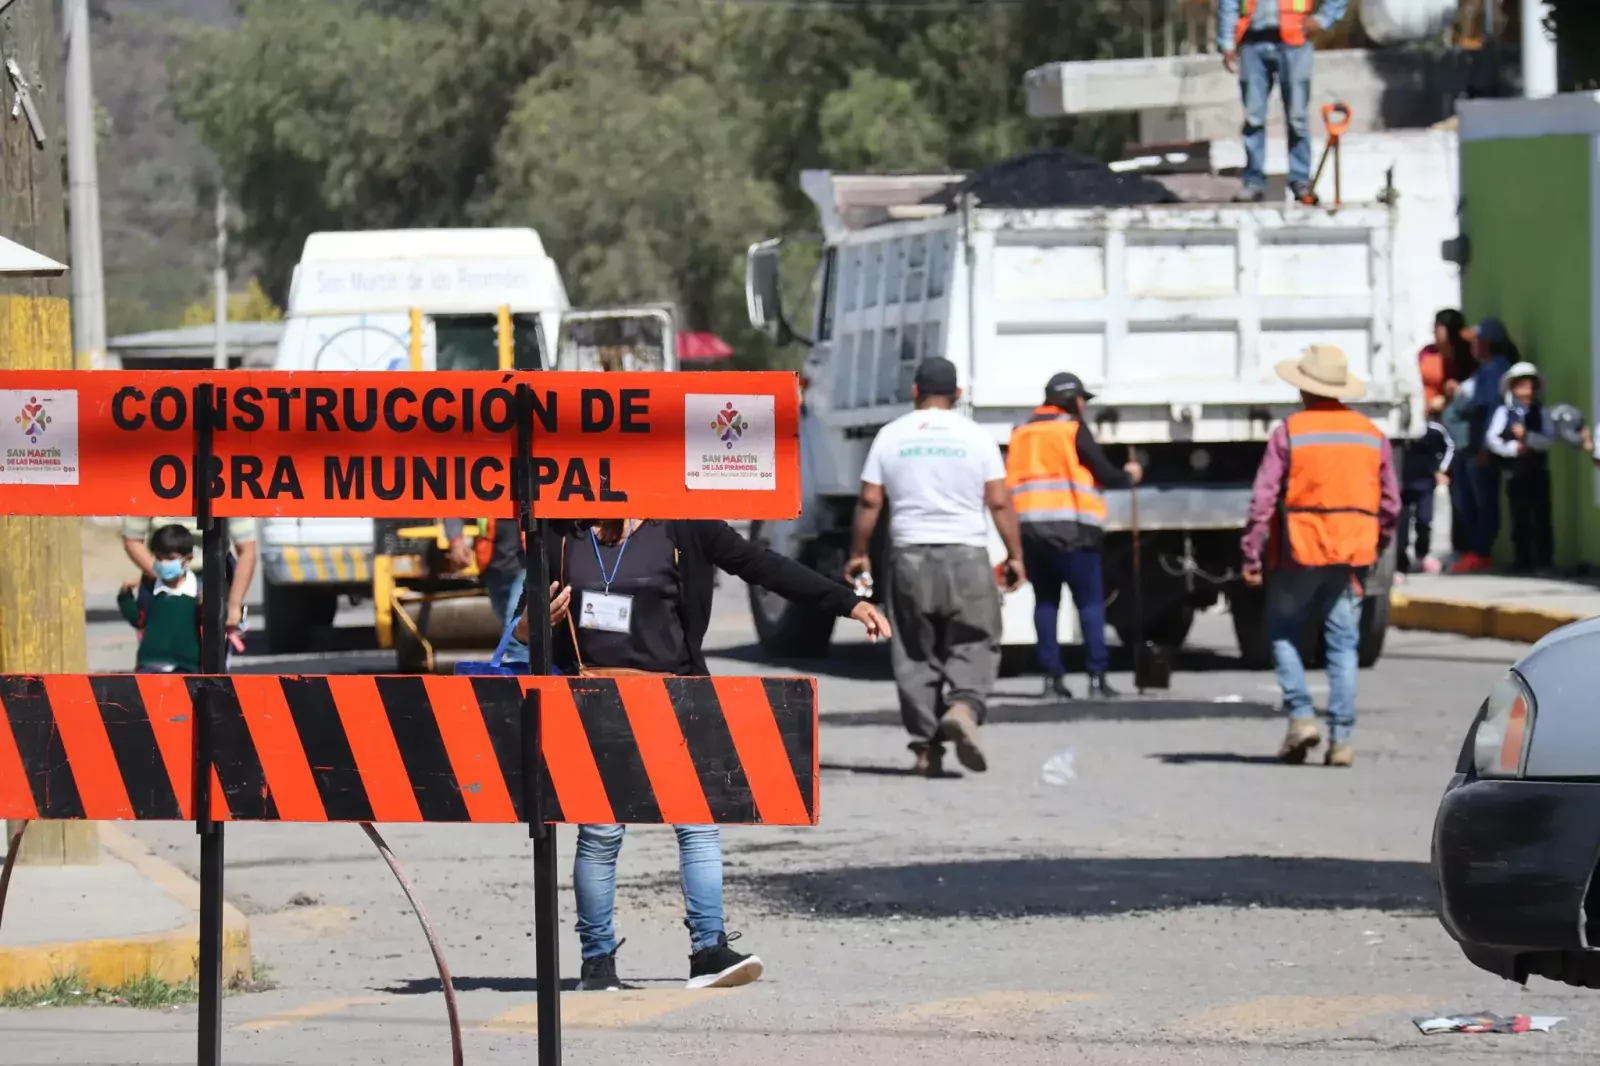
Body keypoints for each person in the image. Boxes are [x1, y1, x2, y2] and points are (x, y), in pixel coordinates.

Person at [515, 518, 890, 992]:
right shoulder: (559, 531)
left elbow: (763, 566)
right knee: (600, 833)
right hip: (594, 699)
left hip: (677, 698)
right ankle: (598, 964)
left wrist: (848, 603)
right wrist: (532, 626)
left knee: (698, 826)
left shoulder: (683, 524)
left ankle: (708, 951)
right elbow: (525, 622)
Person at [844, 357, 1024, 777]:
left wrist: (859, 552)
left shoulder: (891, 435)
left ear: (915, 391)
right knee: (975, 639)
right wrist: (1015, 554)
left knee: (913, 650)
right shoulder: (976, 437)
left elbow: (870, 501)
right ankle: (963, 707)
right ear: (957, 395)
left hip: (909, 555)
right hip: (967, 555)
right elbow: (998, 501)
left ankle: (926, 748)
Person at [1241, 345, 1399, 767]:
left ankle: (1301, 717)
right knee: (1343, 644)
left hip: (1299, 549)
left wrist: (1251, 552)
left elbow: (1263, 498)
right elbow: (1391, 505)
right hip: (1351, 552)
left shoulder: (1290, 432)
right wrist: (1375, 542)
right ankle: (1342, 741)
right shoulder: (1370, 434)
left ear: (1303, 388)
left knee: (1282, 632)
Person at [1005, 372, 1142, 700]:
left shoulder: (1021, 433)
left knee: (1046, 602)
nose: (1083, 406)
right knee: (1090, 603)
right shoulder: (1072, 429)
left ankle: (1052, 679)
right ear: (1072, 400)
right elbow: (1103, 471)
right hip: (1074, 531)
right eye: (1082, 399)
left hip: (1031, 531)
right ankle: (1097, 677)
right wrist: (1129, 476)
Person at [1219, 0, 1350, 204]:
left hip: (1294, 42)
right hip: (1252, 43)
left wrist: (1323, 18)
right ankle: (1254, 182)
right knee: (1254, 118)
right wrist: (1227, 42)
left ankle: (1300, 180)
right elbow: (1229, 3)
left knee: (1297, 118)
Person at [1450, 318, 1514, 573]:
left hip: (1480, 449)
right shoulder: (1485, 369)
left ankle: (1480, 551)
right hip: (1472, 448)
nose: (1473, 346)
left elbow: (1491, 408)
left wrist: (1486, 447)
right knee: (1471, 501)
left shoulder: (1495, 369)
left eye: (1477, 341)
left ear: (1488, 343)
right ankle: (1474, 551)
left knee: (1483, 502)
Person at [122, 514, 257, 636]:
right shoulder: (147, 487)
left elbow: (247, 550)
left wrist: (234, 605)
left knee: (211, 650)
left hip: (212, 573)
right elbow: (132, 539)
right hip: (161, 576)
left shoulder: (229, 488)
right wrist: (164, 575)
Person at [1485, 362, 1555, 572]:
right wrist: (1513, 448)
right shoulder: (1504, 412)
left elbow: (1548, 439)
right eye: (1521, 386)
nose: (1527, 391)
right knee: (1519, 516)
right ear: (1512, 389)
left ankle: (1544, 560)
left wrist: (1529, 438)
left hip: (1537, 471)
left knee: (1542, 516)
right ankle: (1522, 560)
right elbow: (1492, 439)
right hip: (1515, 471)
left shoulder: (1540, 412)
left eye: (1530, 386)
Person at [117, 524, 202, 674]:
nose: (163, 563)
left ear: (187, 559)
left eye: (170, 558)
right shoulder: (150, 589)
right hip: (149, 665)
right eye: (158, 557)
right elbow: (138, 619)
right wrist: (125, 596)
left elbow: (206, 626)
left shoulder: (197, 591)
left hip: (184, 667)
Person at [444, 517, 527, 664]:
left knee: (513, 624)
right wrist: (456, 542)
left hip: (525, 563)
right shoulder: (486, 493)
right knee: (506, 623)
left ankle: (519, 674)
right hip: (493, 566)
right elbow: (454, 509)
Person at [1398, 414, 1453, 574]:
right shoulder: (1399, 431)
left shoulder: (1434, 430)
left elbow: (1449, 447)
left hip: (1425, 484)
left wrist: (1441, 470)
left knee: (1424, 520)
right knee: (1401, 525)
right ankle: (1401, 563)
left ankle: (1422, 555)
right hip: (1402, 484)